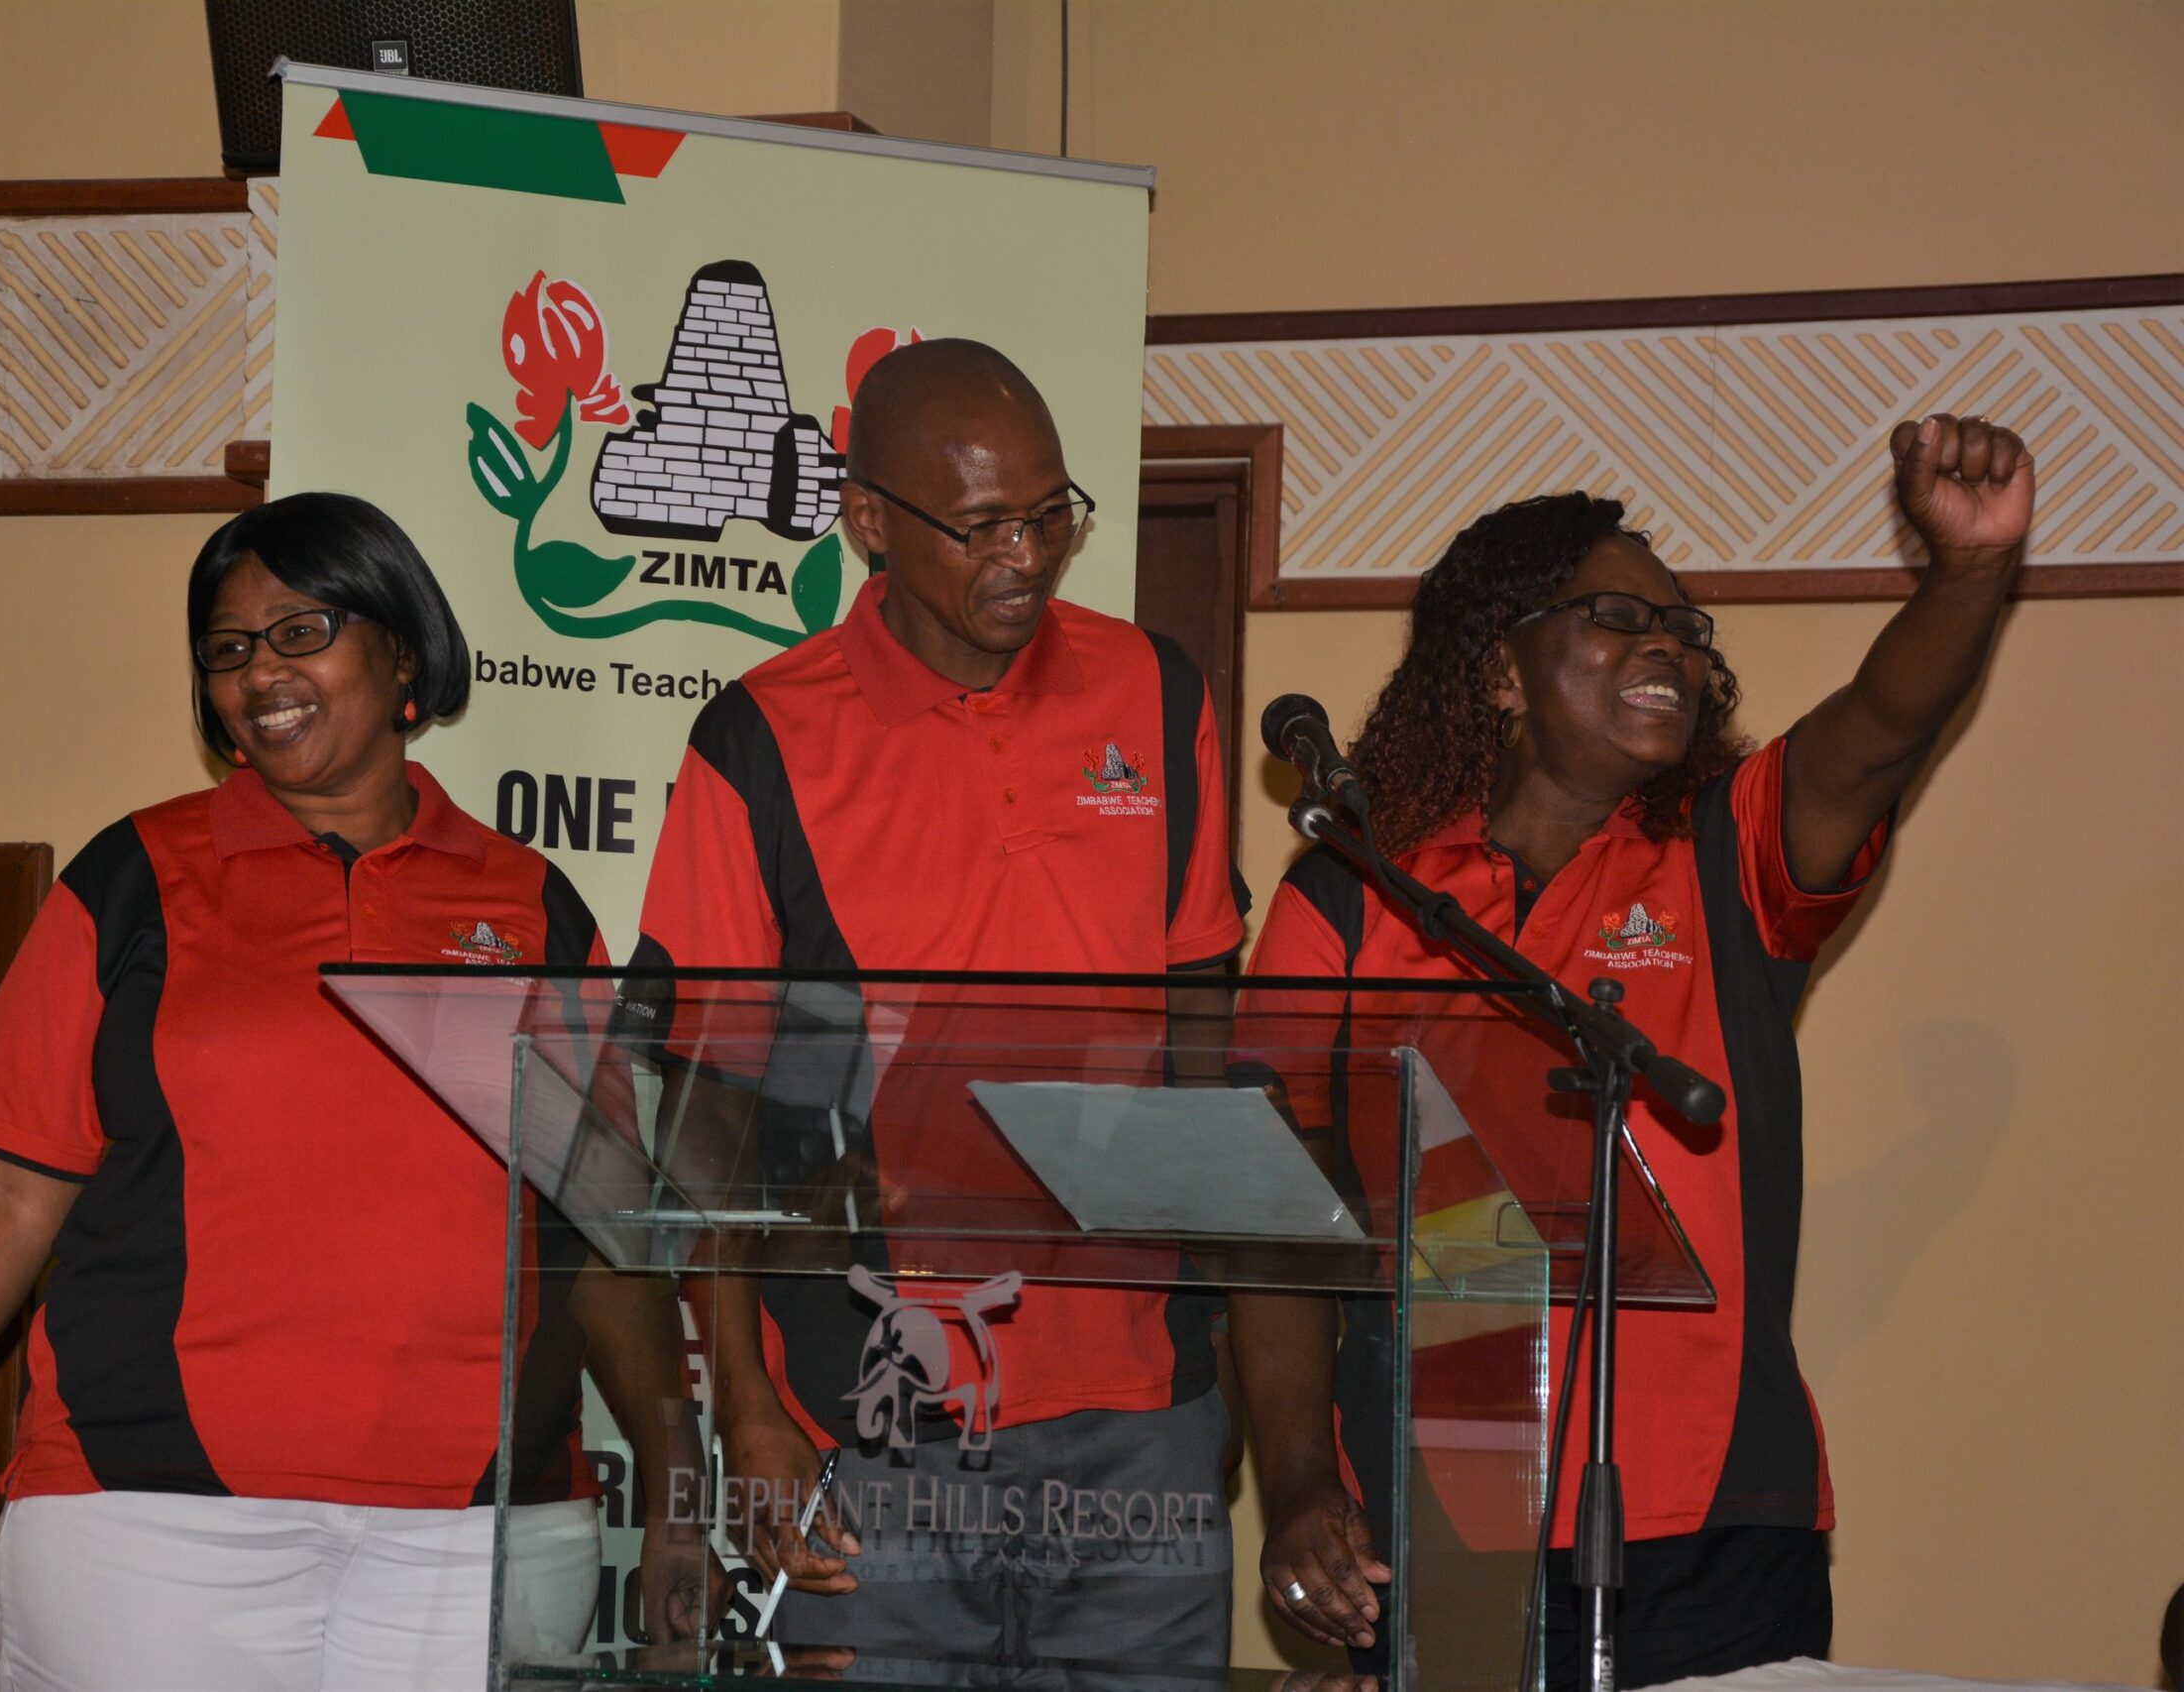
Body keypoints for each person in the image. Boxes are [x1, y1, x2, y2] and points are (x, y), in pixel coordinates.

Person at [0, 493, 706, 1690]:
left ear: (403, 649)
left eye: (301, 632)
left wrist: (679, 1499)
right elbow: (1, 1199)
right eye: (229, 649)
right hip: (148, 1522)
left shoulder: (532, 903)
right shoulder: (133, 880)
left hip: (482, 1532)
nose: (261, 674)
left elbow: (602, 1232)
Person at [1234, 415, 2035, 1689]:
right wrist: (1293, 1487)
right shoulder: (1352, 894)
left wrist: (1969, 572)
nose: (1667, 645)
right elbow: (1267, 1220)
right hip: (1443, 1517)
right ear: (1501, 673)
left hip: (1712, 1528)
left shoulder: (1726, 853)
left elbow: (1878, 730)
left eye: (1682, 628)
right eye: (1615, 617)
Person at [627, 338, 1251, 1674]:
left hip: (1141, 1401)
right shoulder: (759, 739)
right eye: (982, 526)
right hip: (872, 1406)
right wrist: (743, 1402)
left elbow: (1202, 1030)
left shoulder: (1157, 692)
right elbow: (705, 1111)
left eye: (1051, 514)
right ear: (869, 520)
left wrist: (1232, 1344)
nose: (1027, 556)